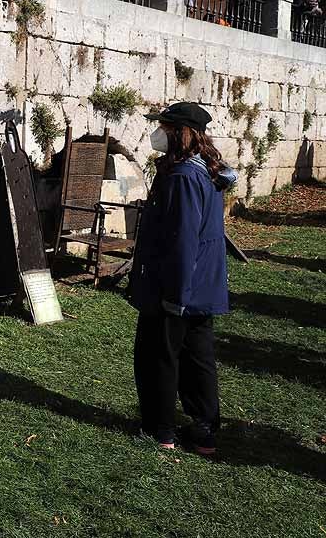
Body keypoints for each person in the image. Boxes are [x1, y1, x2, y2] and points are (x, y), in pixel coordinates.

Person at [129, 102, 236, 456]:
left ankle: (161, 428)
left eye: (164, 126)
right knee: (196, 358)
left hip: (177, 285)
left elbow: (183, 238)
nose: (158, 132)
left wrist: (174, 294)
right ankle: (203, 429)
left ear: (179, 133)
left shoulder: (184, 177)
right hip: (199, 285)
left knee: (158, 354)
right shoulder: (204, 169)